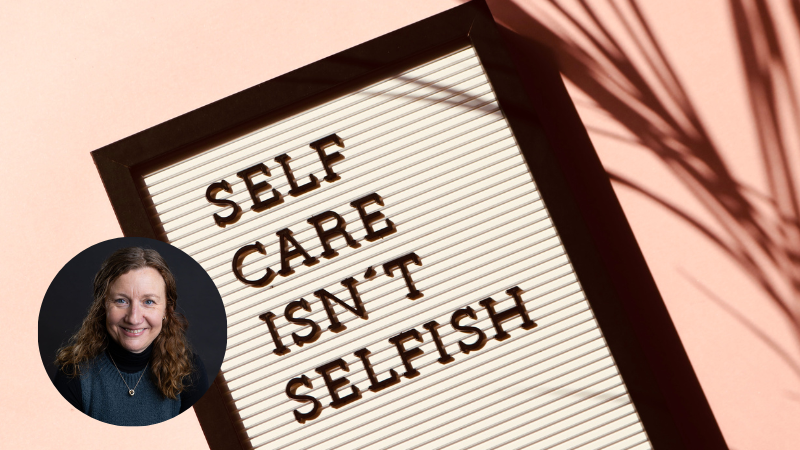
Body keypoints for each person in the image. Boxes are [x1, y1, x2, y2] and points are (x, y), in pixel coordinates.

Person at [52, 247, 208, 426]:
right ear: (103, 306)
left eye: (148, 302)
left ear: (167, 310)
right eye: (121, 301)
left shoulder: (190, 371)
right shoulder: (73, 374)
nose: (134, 318)